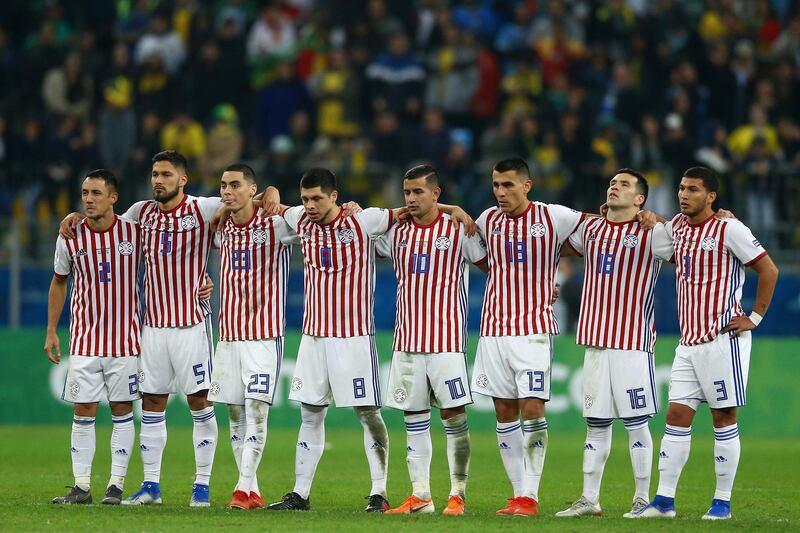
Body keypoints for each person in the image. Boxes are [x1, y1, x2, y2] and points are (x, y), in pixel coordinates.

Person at [59, 151, 238, 506]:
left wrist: (272, 196)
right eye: (155, 174)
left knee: (199, 401)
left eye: (166, 175)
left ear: (182, 180)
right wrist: (76, 215)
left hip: (191, 324)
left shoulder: (202, 209)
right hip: (152, 328)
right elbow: (104, 222)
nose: (158, 180)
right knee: (152, 404)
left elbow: (241, 199)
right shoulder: (140, 214)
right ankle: (151, 487)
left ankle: (201, 487)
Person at [636, 167, 779, 520]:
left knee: (723, 416)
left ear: (711, 196)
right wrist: (651, 216)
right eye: (682, 188)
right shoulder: (679, 229)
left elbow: (769, 269)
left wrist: (755, 317)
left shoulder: (730, 228)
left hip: (722, 339)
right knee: (676, 416)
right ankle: (664, 502)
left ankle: (722, 503)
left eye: (694, 190)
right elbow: (653, 228)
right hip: (688, 343)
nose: (684, 194)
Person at [264, 168, 410, 513]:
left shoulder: (364, 221)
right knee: (310, 413)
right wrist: (269, 190)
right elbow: (269, 204)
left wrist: (455, 211)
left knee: (368, 413)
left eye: (317, 198)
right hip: (314, 338)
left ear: (334, 196)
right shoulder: (300, 219)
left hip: (354, 338)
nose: (310, 205)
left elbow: (411, 210)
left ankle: (379, 492)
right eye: (305, 199)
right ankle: (300, 494)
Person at [554, 169, 672, 518]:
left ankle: (641, 497)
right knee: (596, 422)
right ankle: (589, 499)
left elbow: (693, 242)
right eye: (612, 183)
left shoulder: (652, 232)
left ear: (640, 199)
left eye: (623, 185)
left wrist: (661, 218)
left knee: (636, 422)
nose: (614, 187)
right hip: (594, 341)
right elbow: (549, 247)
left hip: (632, 342)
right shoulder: (591, 230)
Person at [470, 157, 584, 516]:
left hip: (533, 329)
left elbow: (599, 228)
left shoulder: (554, 216)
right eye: (496, 185)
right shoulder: (488, 220)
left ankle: (531, 496)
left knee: (532, 406)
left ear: (526, 185)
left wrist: (653, 219)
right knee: (503, 410)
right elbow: (476, 251)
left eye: (508, 185)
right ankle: (518, 493)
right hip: (493, 330)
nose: (500, 192)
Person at [376, 165, 488, 515]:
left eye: (418, 192)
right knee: (414, 418)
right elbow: (357, 234)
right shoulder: (396, 232)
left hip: (446, 342)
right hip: (407, 341)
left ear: (435, 194)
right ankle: (421, 496)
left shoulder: (460, 229)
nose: (410, 199)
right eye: (406, 192)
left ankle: (458, 494)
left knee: (453, 416)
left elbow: (495, 268)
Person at [46, 169, 141, 505]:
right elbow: (59, 281)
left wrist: (202, 282)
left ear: (114, 197)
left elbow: (167, 265)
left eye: (96, 193)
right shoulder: (70, 236)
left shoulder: (134, 232)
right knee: (83, 410)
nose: (88, 199)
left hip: (125, 341)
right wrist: (51, 331)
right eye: (85, 193)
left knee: (121, 409)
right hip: (84, 341)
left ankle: (116, 484)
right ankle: (82, 486)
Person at [207, 164, 296, 510]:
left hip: (264, 335)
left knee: (257, 410)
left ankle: (242, 489)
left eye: (234, 185)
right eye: (223, 185)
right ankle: (253, 489)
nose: (227, 191)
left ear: (251, 188)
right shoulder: (222, 227)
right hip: (228, 335)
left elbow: (315, 218)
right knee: (234, 412)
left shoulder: (277, 226)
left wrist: (272, 193)